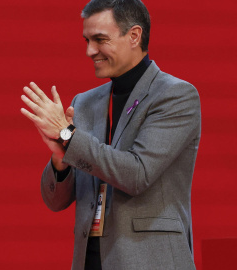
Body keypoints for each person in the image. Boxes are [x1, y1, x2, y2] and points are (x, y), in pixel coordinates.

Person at [20, 0, 200, 269]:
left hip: (150, 259)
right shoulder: (85, 103)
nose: (90, 51)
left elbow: (136, 175)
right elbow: (56, 201)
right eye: (87, 40)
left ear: (134, 36)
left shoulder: (175, 96)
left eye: (100, 39)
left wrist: (68, 135)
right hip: (91, 259)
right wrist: (60, 158)